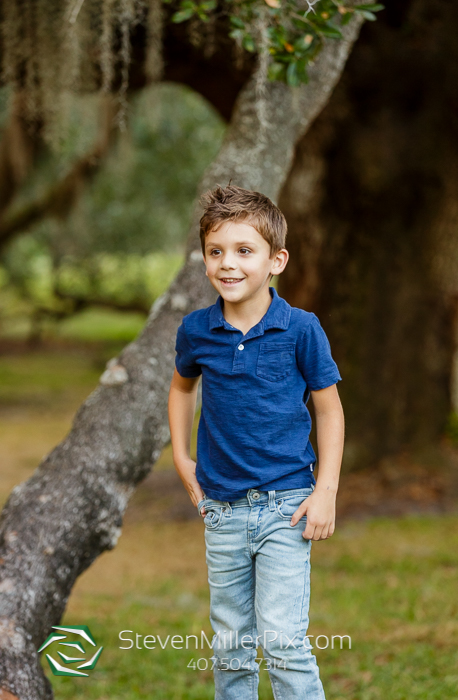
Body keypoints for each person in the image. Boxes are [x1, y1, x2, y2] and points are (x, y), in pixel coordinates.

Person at [168, 184, 345, 700]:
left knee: (283, 641)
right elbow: (181, 390)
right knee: (231, 644)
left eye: (245, 251)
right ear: (204, 259)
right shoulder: (196, 331)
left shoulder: (301, 329)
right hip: (221, 509)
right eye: (216, 251)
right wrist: (182, 458)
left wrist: (326, 490)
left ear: (276, 260)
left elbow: (329, 409)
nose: (229, 264)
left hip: (287, 505)